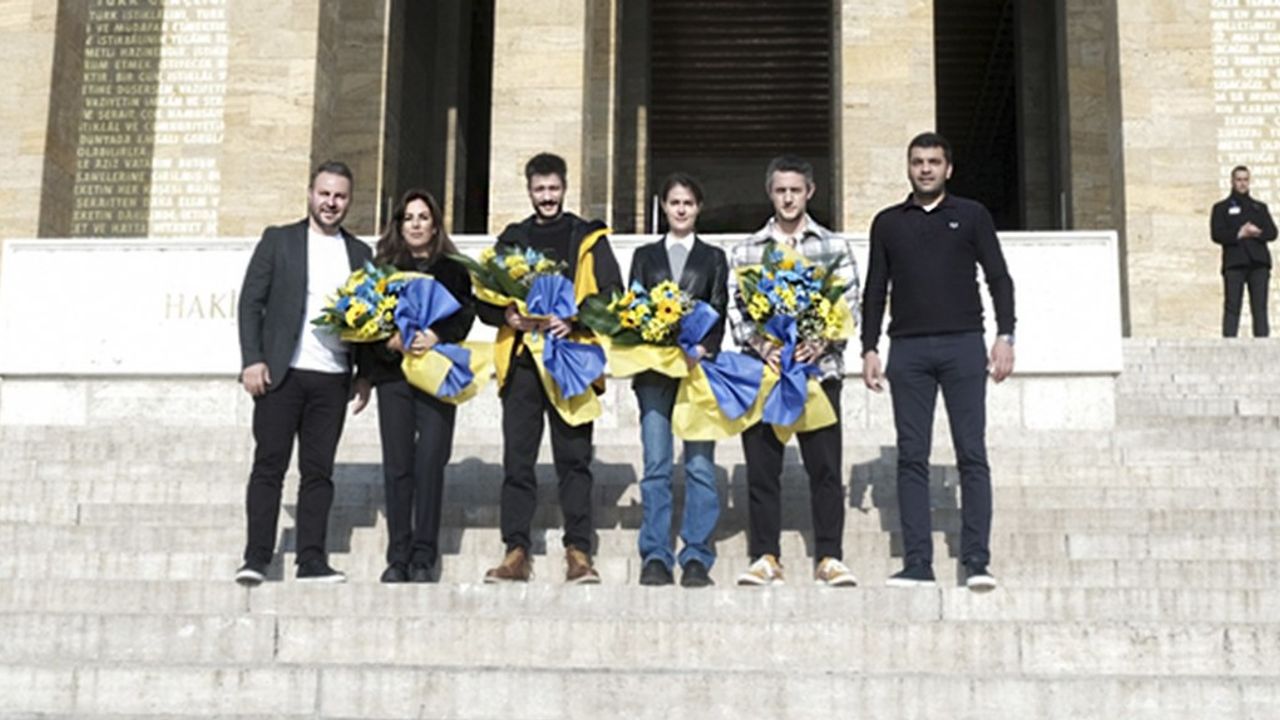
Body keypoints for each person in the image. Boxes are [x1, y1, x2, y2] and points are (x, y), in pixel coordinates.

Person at [861, 132, 1015, 592]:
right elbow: (875, 288)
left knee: (972, 452)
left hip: (963, 345)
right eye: (917, 162)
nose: (925, 169)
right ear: (908, 168)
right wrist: (869, 347)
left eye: (933, 162)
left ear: (949, 168)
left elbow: (999, 277)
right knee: (912, 455)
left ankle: (976, 561)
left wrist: (1005, 336)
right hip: (907, 350)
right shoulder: (887, 223)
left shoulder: (972, 215)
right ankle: (917, 563)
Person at [478, 152, 622, 584]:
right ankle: (516, 551)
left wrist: (574, 317)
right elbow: (483, 301)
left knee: (574, 459)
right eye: (539, 189)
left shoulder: (588, 236)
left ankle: (578, 551)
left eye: (553, 188)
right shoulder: (512, 239)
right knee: (517, 460)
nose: (547, 196)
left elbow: (613, 295)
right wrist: (507, 315)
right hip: (523, 362)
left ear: (565, 188)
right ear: (529, 191)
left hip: (571, 359)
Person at [234, 160, 373, 586]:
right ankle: (257, 557)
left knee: (319, 472)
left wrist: (364, 375)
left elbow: (371, 319)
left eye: (340, 196)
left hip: (332, 378)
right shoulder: (279, 240)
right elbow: (250, 302)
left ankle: (311, 559)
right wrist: (252, 359)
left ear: (349, 201)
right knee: (269, 466)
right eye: (325, 194)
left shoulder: (360, 254)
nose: (331, 203)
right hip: (282, 374)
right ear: (311, 194)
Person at [726, 154, 860, 587]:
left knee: (825, 468)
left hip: (819, 373)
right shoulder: (747, 250)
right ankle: (766, 556)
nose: (788, 198)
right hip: (766, 373)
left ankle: (830, 557)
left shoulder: (834, 247)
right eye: (781, 190)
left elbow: (849, 304)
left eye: (795, 190)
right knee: (763, 468)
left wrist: (819, 342)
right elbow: (737, 309)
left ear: (810, 192)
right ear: (770, 193)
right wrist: (764, 345)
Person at [362, 189, 475, 583]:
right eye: (408, 217)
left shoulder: (453, 269)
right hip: (393, 375)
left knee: (429, 461)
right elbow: (364, 319)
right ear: (398, 224)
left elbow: (465, 315)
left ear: (435, 225)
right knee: (398, 464)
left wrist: (437, 334)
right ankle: (398, 555)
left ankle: (424, 555)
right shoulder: (383, 268)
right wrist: (389, 341)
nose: (415, 224)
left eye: (423, 217)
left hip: (436, 372)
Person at [629, 173, 728, 588]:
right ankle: (655, 553)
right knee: (656, 464)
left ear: (698, 207)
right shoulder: (645, 255)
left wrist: (700, 349)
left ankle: (696, 555)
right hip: (654, 373)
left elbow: (719, 308)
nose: (681, 209)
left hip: (697, 372)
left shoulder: (713, 257)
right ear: (663, 207)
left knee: (700, 465)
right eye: (674, 202)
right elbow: (633, 308)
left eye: (688, 202)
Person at [1211, 165, 1276, 338]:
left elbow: (1272, 232)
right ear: (1232, 181)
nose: (1242, 183)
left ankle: (1262, 341)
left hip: (1258, 263)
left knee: (1259, 307)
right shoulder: (1221, 208)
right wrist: (1239, 233)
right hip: (1235, 263)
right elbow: (1217, 234)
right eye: (1239, 180)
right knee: (1232, 305)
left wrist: (1257, 233)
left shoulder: (1259, 207)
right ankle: (1229, 341)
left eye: (1245, 180)